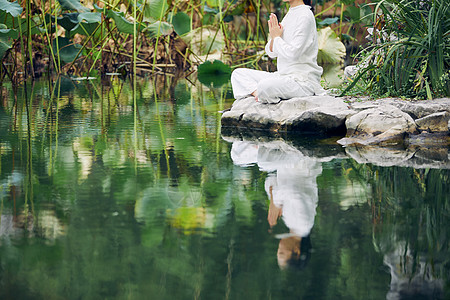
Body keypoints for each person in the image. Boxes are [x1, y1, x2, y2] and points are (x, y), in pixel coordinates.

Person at [231, 0, 325, 104]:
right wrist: (274, 36)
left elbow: (293, 54)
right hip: (282, 76)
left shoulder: (305, 15)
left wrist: (276, 37)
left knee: (265, 85)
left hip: (302, 82)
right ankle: (259, 94)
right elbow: (272, 53)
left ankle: (263, 94)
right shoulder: (290, 13)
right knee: (238, 74)